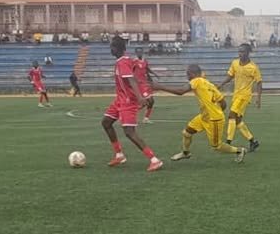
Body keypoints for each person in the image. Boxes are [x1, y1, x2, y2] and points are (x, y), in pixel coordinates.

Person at [154, 64, 247, 163]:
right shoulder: (209, 84)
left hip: (214, 120)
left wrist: (160, 87)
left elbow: (180, 91)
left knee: (217, 146)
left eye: (188, 74)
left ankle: (239, 150)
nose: (187, 77)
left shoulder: (196, 81)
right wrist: (213, 110)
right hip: (204, 116)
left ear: (193, 74)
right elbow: (223, 103)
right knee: (187, 132)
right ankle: (186, 153)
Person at [101, 36, 163, 172]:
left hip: (128, 100)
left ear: (118, 48)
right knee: (106, 122)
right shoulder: (125, 61)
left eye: (112, 47)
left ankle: (154, 159)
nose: (111, 49)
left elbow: (131, 80)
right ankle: (119, 155)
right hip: (120, 99)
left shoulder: (123, 62)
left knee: (129, 132)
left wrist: (140, 97)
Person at [218, 43, 262, 151]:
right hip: (236, 94)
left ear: (248, 53)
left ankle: (228, 142)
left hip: (245, 96)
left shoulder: (253, 67)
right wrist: (221, 84)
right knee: (237, 120)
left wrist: (258, 98)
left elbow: (259, 82)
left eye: (242, 51)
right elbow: (230, 76)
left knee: (231, 115)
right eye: (239, 51)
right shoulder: (235, 63)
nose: (240, 54)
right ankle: (253, 141)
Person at [134, 51, 160, 124]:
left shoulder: (145, 61)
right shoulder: (134, 61)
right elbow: (131, 71)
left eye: (140, 52)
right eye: (138, 53)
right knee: (148, 101)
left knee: (150, 102)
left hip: (146, 83)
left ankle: (145, 118)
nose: (139, 54)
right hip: (140, 84)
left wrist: (154, 75)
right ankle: (130, 113)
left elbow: (147, 69)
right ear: (136, 54)